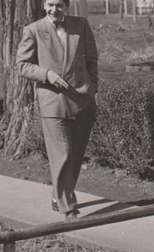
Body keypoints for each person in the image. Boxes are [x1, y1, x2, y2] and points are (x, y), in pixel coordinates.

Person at [16, 0, 98, 219]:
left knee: (76, 155)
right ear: (44, 5)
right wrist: (47, 75)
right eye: (50, 4)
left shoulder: (81, 25)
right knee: (62, 153)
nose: (54, 9)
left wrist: (93, 87)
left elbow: (92, 59)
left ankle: (58, 195)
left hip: (83, 100)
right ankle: (67, 207)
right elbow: (22, 65)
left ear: (67, 6)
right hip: (53, 102)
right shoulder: (33, 30)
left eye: (59, 5)